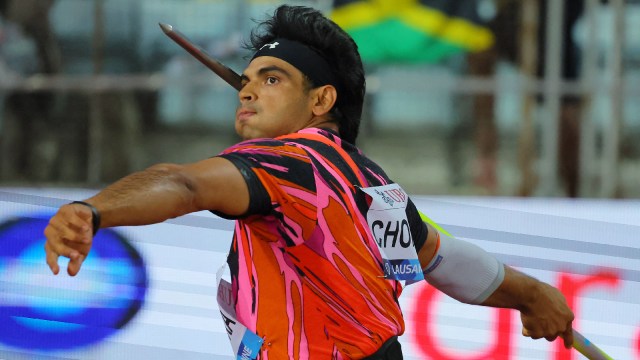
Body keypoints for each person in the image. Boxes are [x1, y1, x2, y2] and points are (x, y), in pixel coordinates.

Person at [44, 5, 574, 359]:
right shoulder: (368, 181)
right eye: (247, 80)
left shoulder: (287, 162)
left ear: (321, 101)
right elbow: (441, 259)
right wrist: (532, 294)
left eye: (272, 79)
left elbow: (183, 184)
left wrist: (96, 212)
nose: (247, 92)